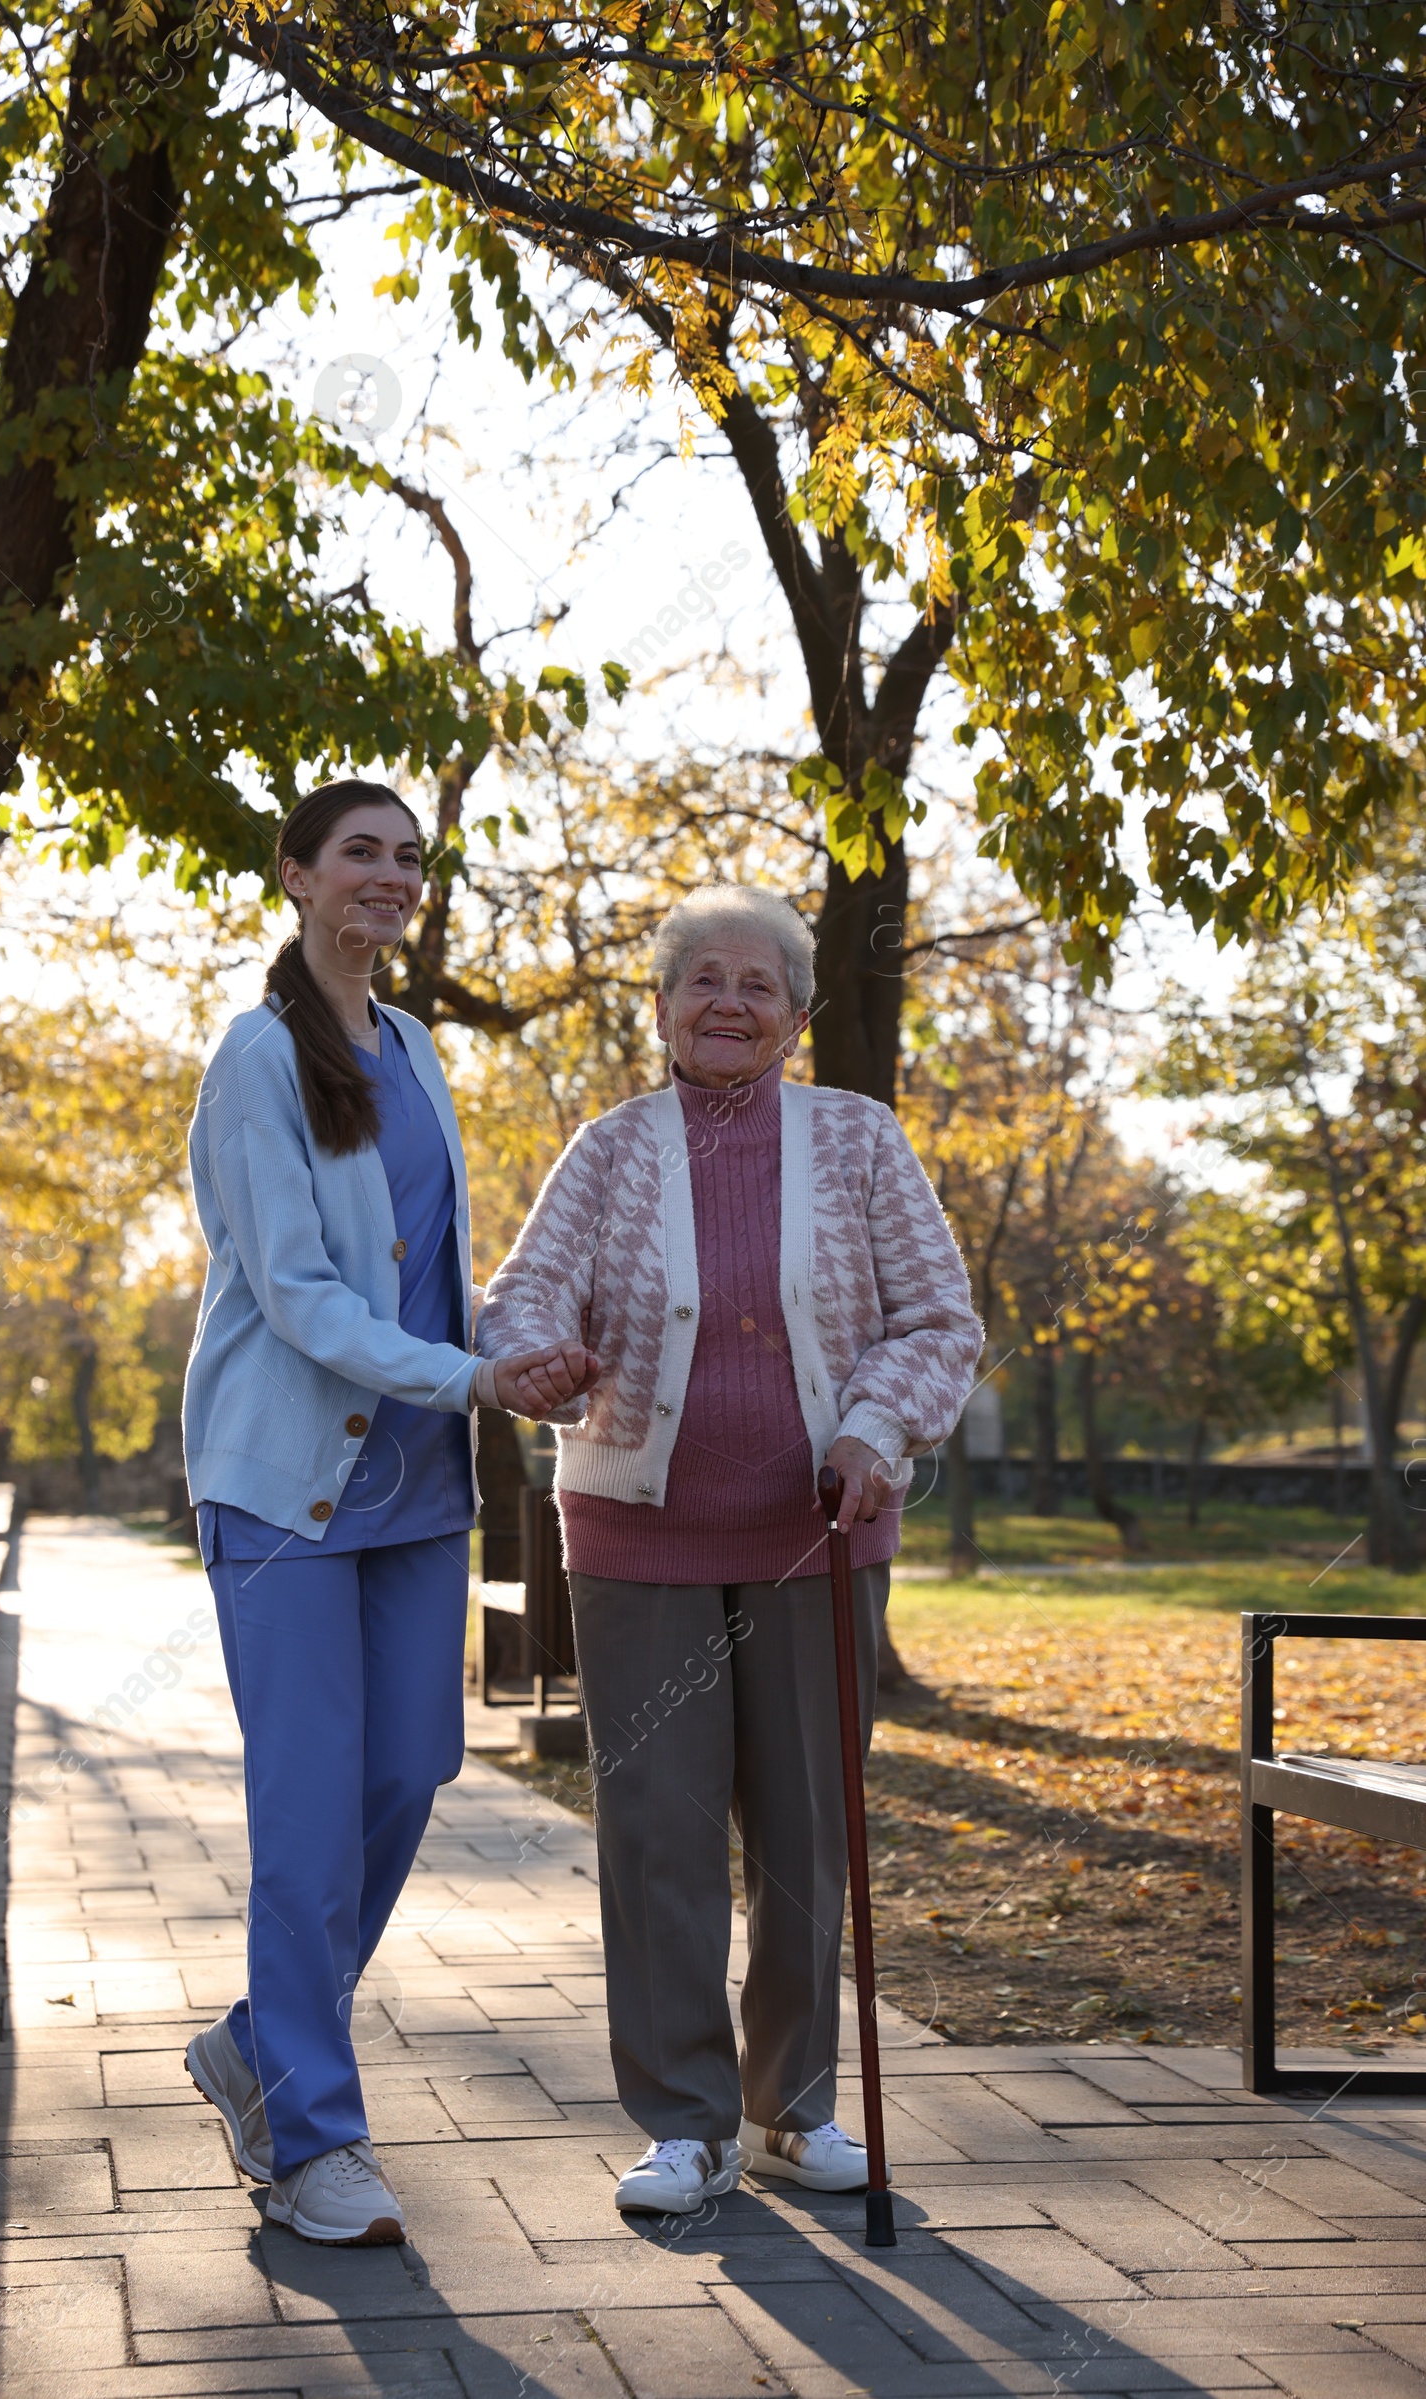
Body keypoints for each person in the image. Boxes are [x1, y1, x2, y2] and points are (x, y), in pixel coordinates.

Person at [477, 887, 981, 2216]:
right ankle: (686, 2122)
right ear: (659, 1008)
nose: (730, 1004)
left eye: (760, 985)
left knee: (807, 1836)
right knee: (658, 1833)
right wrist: (531, 1359)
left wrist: (877, 1428)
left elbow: (937, 1317)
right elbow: (523, 1293)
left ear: (800, 1016)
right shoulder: (609, 1149)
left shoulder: (861, 1141)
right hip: (637, 1537)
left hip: (820, 1531)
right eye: (703, 981)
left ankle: (789, 2109)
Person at [180, 780, 595, 2246]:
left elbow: (423, 1278)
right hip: (285, 1486)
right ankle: (311, 2140)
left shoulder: (414, 1048)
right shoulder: (254, 1060)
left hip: (419, 1490)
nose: (392, 876)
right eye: (361, 851)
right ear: (294, 874)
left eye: (411, 859)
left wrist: (507, 1353)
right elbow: (296, 1299)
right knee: (303, 1814)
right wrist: (476, 1373)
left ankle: (255, 2040)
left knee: (408, 1778)